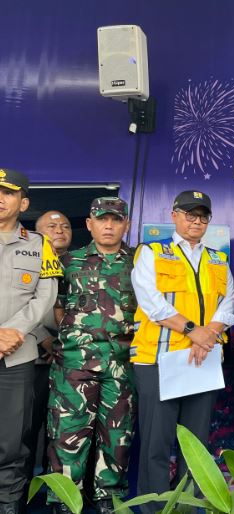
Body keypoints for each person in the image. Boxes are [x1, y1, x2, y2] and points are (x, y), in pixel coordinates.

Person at [130, 190, 234, 510]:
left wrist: (207, 337)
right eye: (190, 214)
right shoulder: (152, 252)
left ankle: (190, 506)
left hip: (201, 359)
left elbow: (227, 306)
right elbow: (151, 303)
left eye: (203, 216)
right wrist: (195, 332)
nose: (197, 221)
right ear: (174, 215)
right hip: (158, 359)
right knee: (156, 442)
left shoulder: (218, 258)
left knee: (196, 444)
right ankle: (155, 507)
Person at [47, 198, 135, 514]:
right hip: (73, 366)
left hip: (121, 366)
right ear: (89, 224)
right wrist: (74, 339)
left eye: (116, 220)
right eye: (102, 219)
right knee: (67, 437)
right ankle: (64, 502)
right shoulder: (68, 262)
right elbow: (56, 307)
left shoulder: (140, 263)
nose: (109, 225)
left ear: (126, 224)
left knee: (117, 438)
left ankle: (107, 501)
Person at [0, 168, 62, 514]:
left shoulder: (41, 246)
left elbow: (45, 296)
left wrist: (13, 332)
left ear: (23, 202)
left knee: (12, 444)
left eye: (7, 193)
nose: (0, 198)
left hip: (16, 357)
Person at [25, 211, 73, 485]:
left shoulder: (80, 263)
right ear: (37, 232)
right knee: (28, 429)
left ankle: (58, 491)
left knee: (66, 431)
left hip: (74, 362)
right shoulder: (26, 261)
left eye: (65, 226)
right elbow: (14, 306)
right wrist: (44, 337)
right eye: (51, 226)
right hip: (35, 358)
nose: (59, 230)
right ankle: (20, 494)